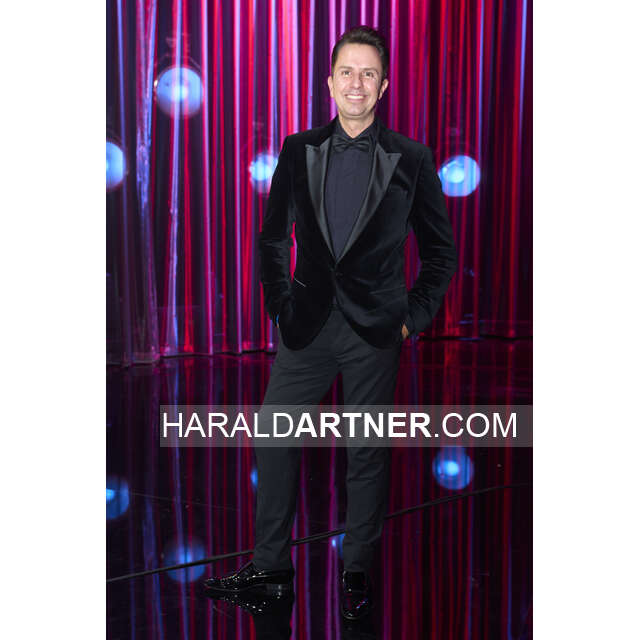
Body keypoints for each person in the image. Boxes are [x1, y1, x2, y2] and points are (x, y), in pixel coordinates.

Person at [204, 25, 457, 621]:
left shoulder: (413, 158)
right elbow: (272, 239)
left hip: (376, 332)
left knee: (365, 452)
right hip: (308, 326)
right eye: (347, 72)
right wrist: (281, 306)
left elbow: (441, 254)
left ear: (384, 86)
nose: (356, 83)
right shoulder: (297, 150)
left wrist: (409, 321)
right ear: (330, 82)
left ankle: (357, 570)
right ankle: (270, 568)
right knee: (274, 435)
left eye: (368, 73)